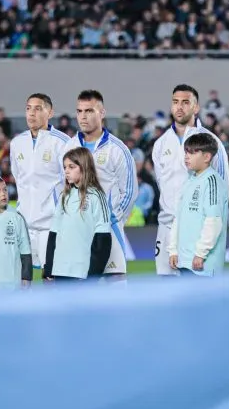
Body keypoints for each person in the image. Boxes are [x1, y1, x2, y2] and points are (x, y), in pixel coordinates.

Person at [151, 84, 229, 276]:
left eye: (186, 102)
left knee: (198, 291)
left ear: (196, 107)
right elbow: (162, 183)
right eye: (175, 102)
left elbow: (221, 186)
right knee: (166, 289)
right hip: (168, 225)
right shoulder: (161, 144)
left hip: (198, 227)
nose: (179, 107)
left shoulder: (211, 142)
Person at [61, 90, 137, 280]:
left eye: (89, 111)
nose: (83, 117)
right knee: (79, 287)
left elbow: (129, 192)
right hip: (77, 230)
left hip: (109, 229)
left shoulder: (118, 149)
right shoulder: (68, 147)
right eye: (79, 111)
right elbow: (62, 187)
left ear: (102, 113)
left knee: (115, 283)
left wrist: (112, 219)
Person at [9, 93, 71, 273]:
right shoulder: (17, 143)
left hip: (51, 224)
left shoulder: (63, 143)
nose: (31, 113)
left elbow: (71, 182)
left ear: (50, 113)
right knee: (21, 278)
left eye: (38, 108)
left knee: (51, 277)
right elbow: (18, 177)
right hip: (24, 224)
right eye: (28, 108)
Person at [42, 148, 112, 282]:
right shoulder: (64, 196)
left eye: (71, 167)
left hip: (82, 272)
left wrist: (93, 275)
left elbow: (103, 238)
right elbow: (54, 234)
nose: (66, 171)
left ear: (84, 167)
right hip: (60, 270)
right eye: (64, 167)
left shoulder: (96, 196)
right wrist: (49, 267)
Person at [167, 133, 229, 277]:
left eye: (193, 152)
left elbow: (213, 221)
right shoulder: (189, 181)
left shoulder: (212, 181)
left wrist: (200, 254)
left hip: (203, 264)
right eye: (186, 152)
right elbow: (179, 219)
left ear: (207, 157)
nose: (186, 156)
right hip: (185, 261)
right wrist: (174, 250)